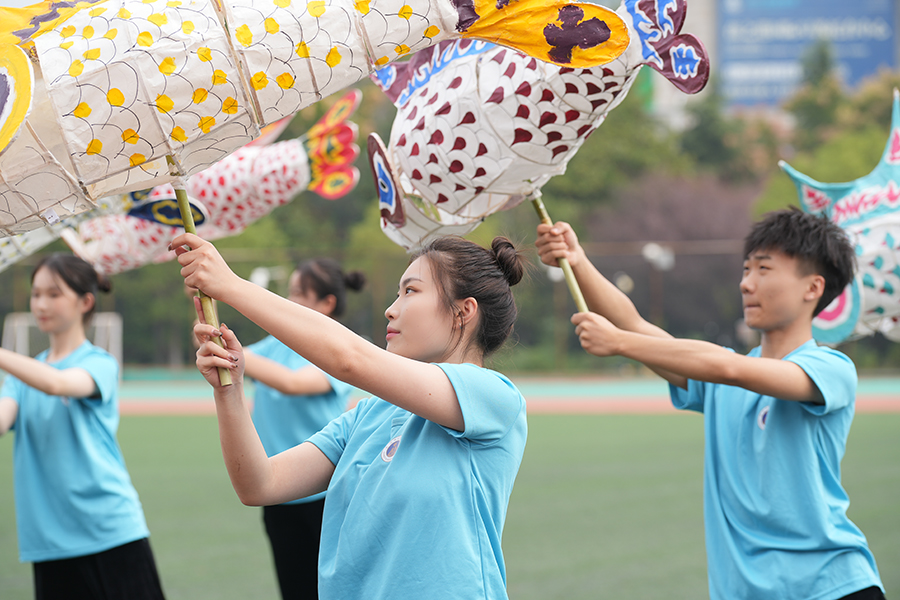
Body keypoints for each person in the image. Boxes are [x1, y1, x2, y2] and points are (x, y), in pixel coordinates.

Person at [535, 208, 884, 600]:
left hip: (830, 588)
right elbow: (636, 326)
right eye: (746, 269)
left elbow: (726, 367)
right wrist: (578, 261)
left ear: (813, 288)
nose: (746, 284)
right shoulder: (719, 380)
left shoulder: (830, 369)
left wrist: (619, 343)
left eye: (764, 270)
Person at [171, 233, 528, 600]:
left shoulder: (492, 397)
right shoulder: (369, 413)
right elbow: (260, 485)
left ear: (463, 311)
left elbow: (349, 359)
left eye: (411, 291)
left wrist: (229, 285)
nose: (391, 308)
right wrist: (229, 391)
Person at [0, 254, 166, 600]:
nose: (41, 304)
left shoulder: (99, 363)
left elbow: (58, 384)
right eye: (36, 294)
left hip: (109, 532)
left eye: (54, 294)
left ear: (85, 301)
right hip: (49, 542)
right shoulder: (18, 378)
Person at [243, 258, 365, 600]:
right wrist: (201, 303)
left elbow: (292, 383)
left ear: (326, 304)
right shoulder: (275, 345)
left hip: (326, 496)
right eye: (290, 292)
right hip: (279, 494)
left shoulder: (337, 349)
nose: (288, 301)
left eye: (299, 293)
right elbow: (228, 357)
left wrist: (235, 354)